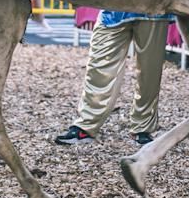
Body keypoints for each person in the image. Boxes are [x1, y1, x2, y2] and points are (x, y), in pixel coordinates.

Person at [53, 9, 174, 147]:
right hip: (113, 6)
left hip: (153, 6)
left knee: (150, 71)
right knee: (98, 66)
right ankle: (86, 125)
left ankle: (143, 128)